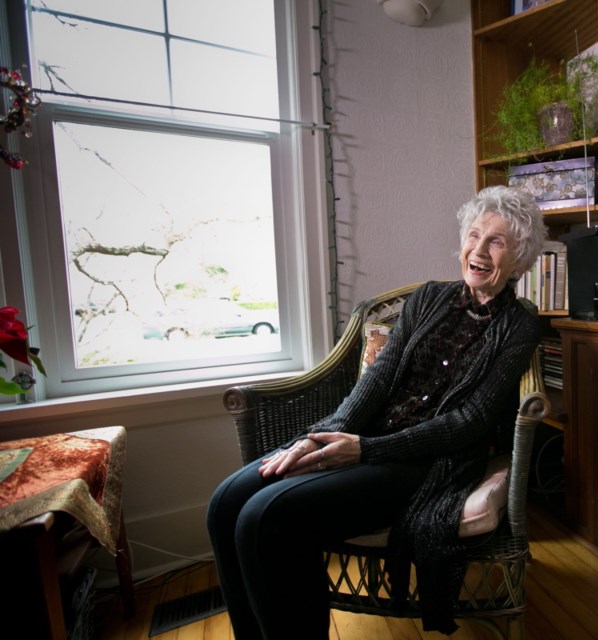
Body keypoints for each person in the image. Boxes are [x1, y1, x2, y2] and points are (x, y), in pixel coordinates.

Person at [207, 185, 547, 639]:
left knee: (265, 517)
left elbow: (469, 422)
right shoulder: (428, 299)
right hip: (364, 440)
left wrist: (366, 450)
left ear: (519, 258)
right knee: (226, 503)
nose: (478, 250)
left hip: (426, 464)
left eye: (497, 241)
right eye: (474, 235)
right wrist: (320, 436)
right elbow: (378, 381)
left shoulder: (520, 327)